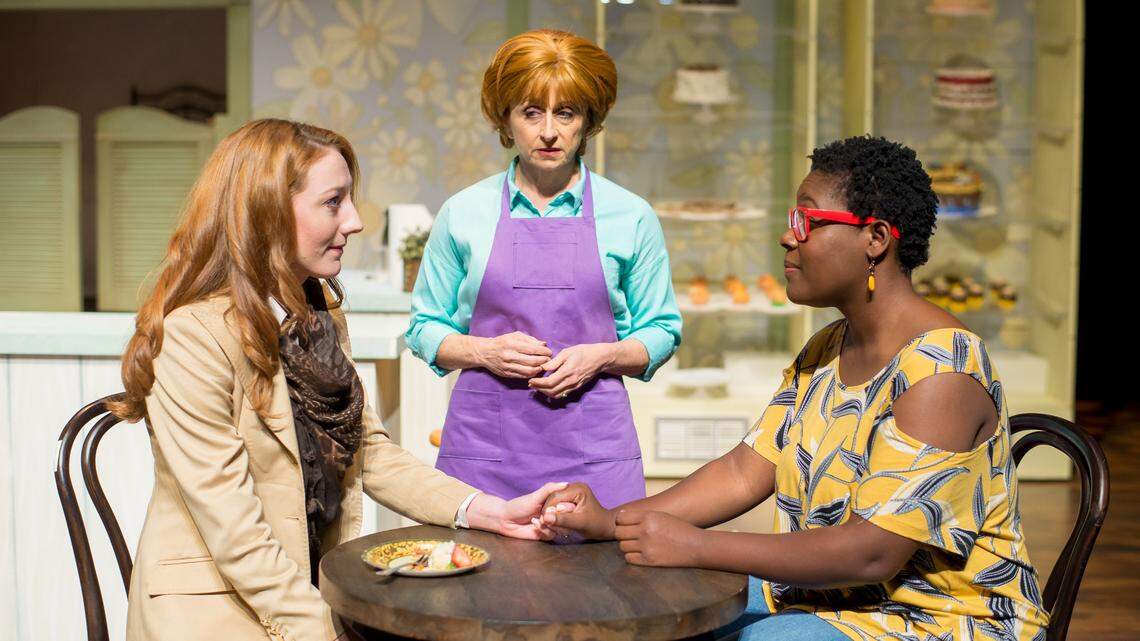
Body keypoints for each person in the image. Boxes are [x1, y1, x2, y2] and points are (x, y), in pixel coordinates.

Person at [541, 136, 1050, 640]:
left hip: (947, 621)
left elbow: (874, 552)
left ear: (875, 239)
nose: (788, 238)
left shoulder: (943, 371)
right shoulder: (826, 348)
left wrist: (697, 546)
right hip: (837, 597)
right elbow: (743, 473)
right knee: (660, 601)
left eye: (806, 221)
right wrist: (612, 522)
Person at [110, 119, 563, 641]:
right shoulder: (193, 336)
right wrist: (328, 630)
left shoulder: (318, 316)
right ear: (268, 212)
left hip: (299, 591)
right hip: (215, 611)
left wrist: (492, 511)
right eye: (333, 202)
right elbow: (233, 531)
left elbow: (368, 452)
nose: (354, 221)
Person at [405, 29, 682, 510]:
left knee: (600, 581)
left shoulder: (631, 215)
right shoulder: (463, 212)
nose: (549, 131)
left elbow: (661, 330)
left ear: (588, 121)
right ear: (506, 120)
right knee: (477, 578)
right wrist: (484, 351)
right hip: (484, 449)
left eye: (566, 113)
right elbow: (424, 327)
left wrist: (600, 357)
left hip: (593, 446)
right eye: (531, 112)